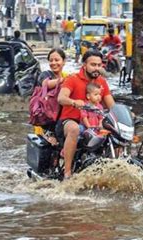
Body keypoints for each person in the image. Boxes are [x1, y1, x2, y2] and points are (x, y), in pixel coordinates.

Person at [57, 49, 115, 179]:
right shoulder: (72, 79)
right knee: (75, 129)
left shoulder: (102, 82)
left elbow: (112, 105)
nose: (97, 68)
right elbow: (61, 98)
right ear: (84, 65)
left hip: (94, 122)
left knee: (116, 130)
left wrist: (126, 114)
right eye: (93, 65)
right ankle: (67, 172)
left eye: (99, 65)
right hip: (70, 121)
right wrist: (73, 102)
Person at [33, 48, 69, 144]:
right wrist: (63, 80)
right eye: (51, 60)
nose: (53, 63)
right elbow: (46, 84)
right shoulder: (45, 75)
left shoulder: (66, 75)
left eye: (57, 60)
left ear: (64, 61)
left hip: (61, 121)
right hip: (46, 125)